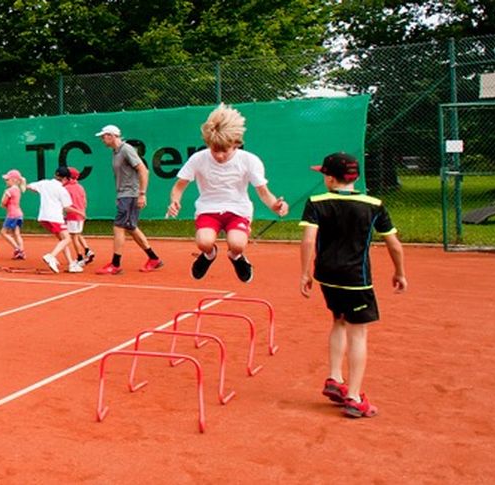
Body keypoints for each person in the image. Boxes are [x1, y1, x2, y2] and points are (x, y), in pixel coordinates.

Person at [300, 152, 407, 419]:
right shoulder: (374, 204)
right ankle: (354, 396)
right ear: (354, 177)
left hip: (326, 276)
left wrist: (305, 273)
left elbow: (308, 240)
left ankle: (335, 377)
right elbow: (393, 243)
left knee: (338, 320)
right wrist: (399, 272)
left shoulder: (316, 202)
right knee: (358, 334)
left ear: (330, 178)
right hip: (356, 280)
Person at [167, 104, 291, 282]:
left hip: (238, 210)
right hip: (208, 209)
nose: (219, 156)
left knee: (237, 244)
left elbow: (263, 192)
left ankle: (236, 258)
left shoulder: (249, 161)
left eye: (224, 151)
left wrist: (275, 205)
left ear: (236, 144)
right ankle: (209, 255)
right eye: (214, 150)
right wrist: (175, 201)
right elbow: (179, 186)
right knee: (204, 242)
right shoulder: (198, 159)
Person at [94, 125, 165, 275]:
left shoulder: (126, 149)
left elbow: (143, 170)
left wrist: (142, 194)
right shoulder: (115, 152)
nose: (102, 139)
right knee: (131, 227)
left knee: (119, 227)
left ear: (111, 136)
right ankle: (154, 259)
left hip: (130, 194)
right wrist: (120, 195)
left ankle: (115, 264)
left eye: (103, 136)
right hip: (124, 195)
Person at [26, 170, 78, 274]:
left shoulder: (44, 183)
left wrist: (41, 191)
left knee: (62, 240)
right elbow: (67, 208)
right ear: (65, 179)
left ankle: (71, 263)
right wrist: (80, 212)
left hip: (43, 218)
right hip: (55, 218)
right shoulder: (62, 190)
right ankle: (51, 256)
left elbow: (29, 186)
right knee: (67, 239)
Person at [62, 167, 93, 273]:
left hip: (72, 216)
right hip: (81, 215)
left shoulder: (66, 188)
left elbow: (65, 204)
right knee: (78, 234)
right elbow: (85, 201)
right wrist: (83, 212)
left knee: (74, 236)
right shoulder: (80, 187)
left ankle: (79, 257)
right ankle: (88, 251)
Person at [0, 170, 27, 260]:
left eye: (7, 179)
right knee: (16, 233)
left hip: (12, 215)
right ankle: (21, 251)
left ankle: (18, 249)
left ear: (14, 180)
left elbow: (3, 202)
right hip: (19, 214)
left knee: (3, 233)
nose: (6, 181)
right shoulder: (18, 189)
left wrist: (3, 204)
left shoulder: (9, 190)